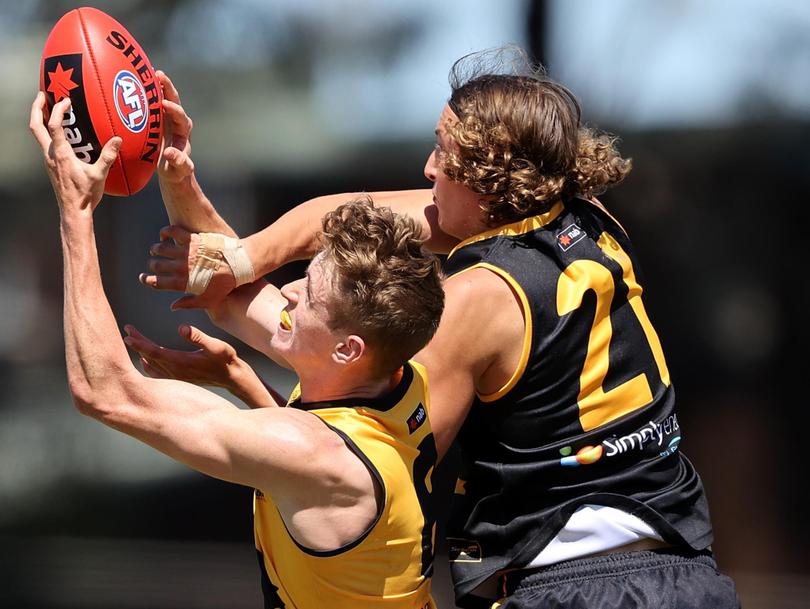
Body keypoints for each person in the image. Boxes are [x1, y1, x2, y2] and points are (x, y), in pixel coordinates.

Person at [140, 48, 740, 608]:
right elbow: (339, 220)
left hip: (568, 584)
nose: (428, 168)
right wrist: (234, 253)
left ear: (487, 177)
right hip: (687, 573)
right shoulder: (587, 221)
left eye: (443, 154)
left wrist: (233, 316)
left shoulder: (477, 302)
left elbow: (353, 443)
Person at [30, 91, 445, 609]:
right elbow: (232, 289)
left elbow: (105, 392)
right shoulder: (398, 383)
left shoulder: (316, 455)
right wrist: (177, 174)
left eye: (307, 295)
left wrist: (76, 209)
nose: (287, 292)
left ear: (347, 349)